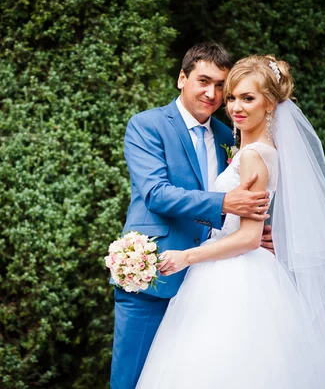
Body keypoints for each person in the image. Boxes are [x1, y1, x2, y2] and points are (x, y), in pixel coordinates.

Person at [136, 55, 325, 388]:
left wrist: (186, 257)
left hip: (233, 274)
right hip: (244, 268)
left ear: (271, 104)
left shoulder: (251, 156)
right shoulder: (259, 149)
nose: (235, 106)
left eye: (248, 98)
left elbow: (248, 238)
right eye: (232, 97)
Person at [111, 43, 274, 389]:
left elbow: (255, 196)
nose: (212, 93)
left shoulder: (229, 135)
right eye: (203, 81)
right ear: (181, 79)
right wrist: (224, 204)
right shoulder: (147, 125)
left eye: (220, 85)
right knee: (132, 379)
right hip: (156, 276)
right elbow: (156, 193)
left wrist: (258, 232)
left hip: (211, 283)